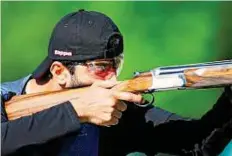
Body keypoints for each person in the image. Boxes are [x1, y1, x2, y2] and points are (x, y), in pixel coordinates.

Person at [1, 9, 232, 156]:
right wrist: (74, 112)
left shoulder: (115, 112)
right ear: (59, 72)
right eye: (100, 68)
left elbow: (198, 144)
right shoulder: (6, 97)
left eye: (116, 65)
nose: (112, 77)